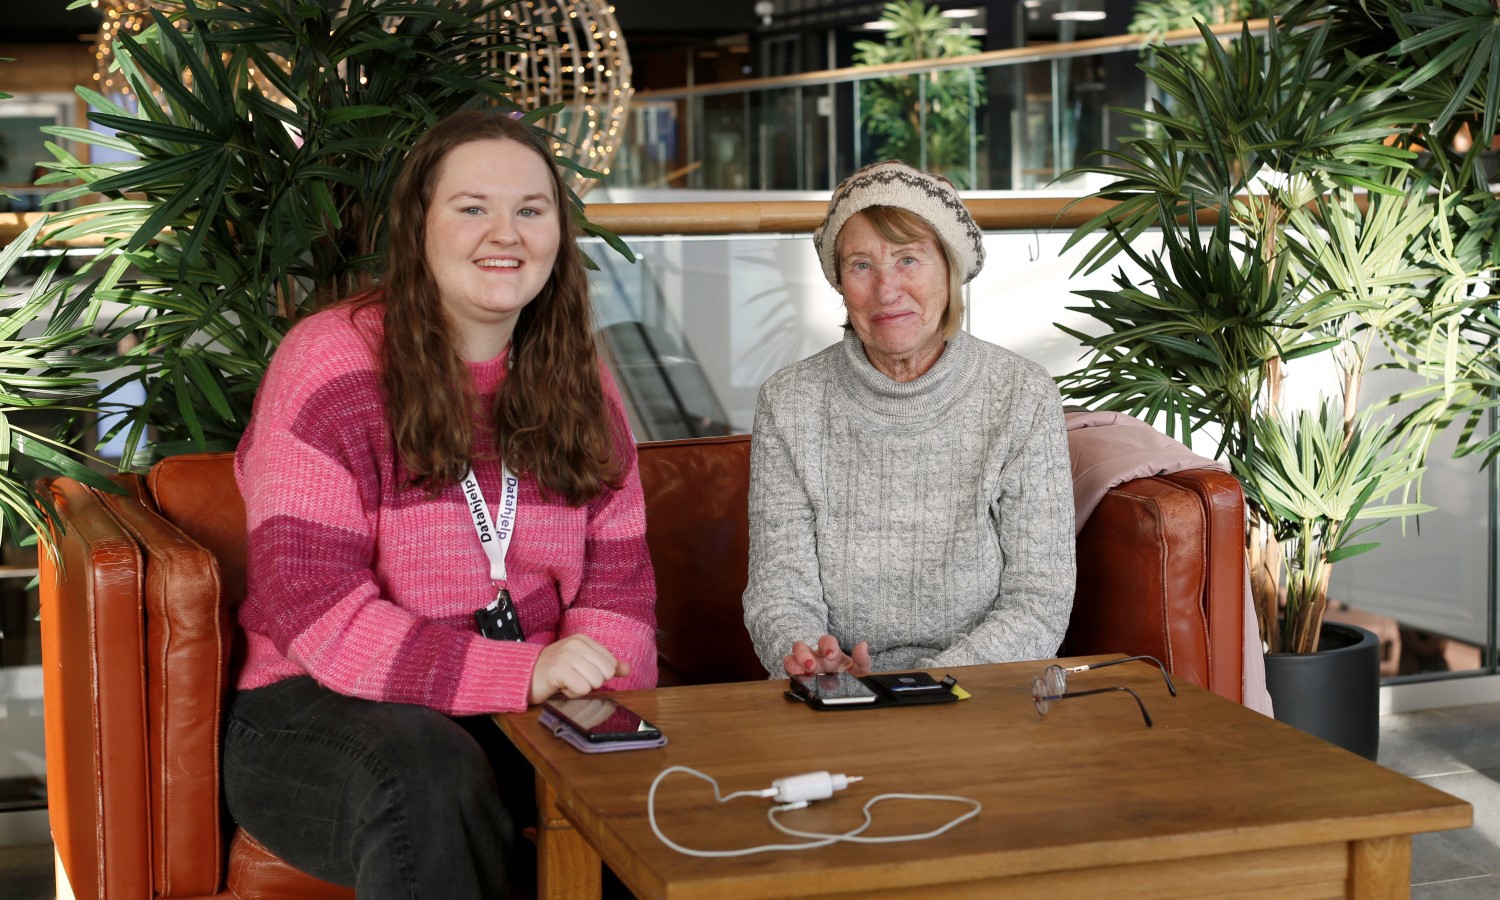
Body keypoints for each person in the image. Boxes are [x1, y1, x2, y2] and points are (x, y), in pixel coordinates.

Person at [222, 110, 657, 898]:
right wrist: (523, 672)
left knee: (650, 788)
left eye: (531, 210)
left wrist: (591, 698)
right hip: (317, 706)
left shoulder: (578, 379)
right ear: (418, 226)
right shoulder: (330, 362)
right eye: (472, 207)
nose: (506, 233)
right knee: (428, 769)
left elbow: (619, 593)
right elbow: (314, 610)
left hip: (517, 703)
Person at [741, 160, 1076, 679]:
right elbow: (778, 590)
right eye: (861, 265)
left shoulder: (1022, 394)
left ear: (949, 269)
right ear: (839, 283)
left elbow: (1040, 599)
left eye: (908, 259)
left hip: (977, 688)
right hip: (837, 696)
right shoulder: (789, 402)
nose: (886, 290)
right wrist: (814, 664)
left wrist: (927, 687)